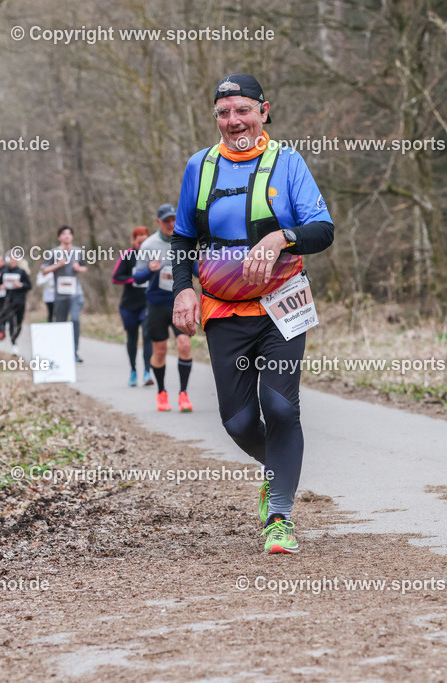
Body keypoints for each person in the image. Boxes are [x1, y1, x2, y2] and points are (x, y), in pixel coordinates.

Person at [171, 74, 334, 554]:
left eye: (242, 109)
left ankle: (279, 517)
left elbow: (322, 230)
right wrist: (183, 290)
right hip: (222, 308)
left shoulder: (288, 163)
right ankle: (279, 469)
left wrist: (280, 236)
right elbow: (183, 237)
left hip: (283, 302)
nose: (233, 120)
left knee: (281, 407)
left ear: (264, 110)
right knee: (239, 422)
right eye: (223, 112)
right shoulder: (199, 167)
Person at [133, 205, 196, 411]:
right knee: (159, 351)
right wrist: (151, 271)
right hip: (157, 304)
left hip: (181, 303)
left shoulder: (186, 241)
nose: (171, 224)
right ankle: (161, 392)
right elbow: (137, 277)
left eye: (174, 220)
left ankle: (183, 394)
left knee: (185, 345)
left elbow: (197, 270)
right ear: (158, 222)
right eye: (166, 220)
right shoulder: (149, 245)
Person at [112, 226, 154, 386]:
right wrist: (135, 279)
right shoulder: (128, 255)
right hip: (129, 305)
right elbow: (116, 278)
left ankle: (147, 372)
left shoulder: (154, 254)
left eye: (145, 241)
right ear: (133, 241)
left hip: (147, 303)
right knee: (132, 337)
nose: (142, 245)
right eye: (139, 242)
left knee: (147, 336)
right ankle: (133, 371)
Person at [41, 226, 87, 363]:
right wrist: (57, 265)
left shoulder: (78, 251)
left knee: (75, 320)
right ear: (59, 237)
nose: (67, 236)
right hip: (60, 294)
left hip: (75, 293)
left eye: (69, 234)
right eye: (63, 234)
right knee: (60, 323)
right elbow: (44, 271)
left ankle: (74, 352)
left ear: (72, 237)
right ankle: (62, 352)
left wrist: (79, 268)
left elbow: (85, 267)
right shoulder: (53, 252)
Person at [0, 252, 32, 355]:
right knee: (11, 323)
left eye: (15, 259)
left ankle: (15, 338)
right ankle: (14, 344)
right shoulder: (4, 271)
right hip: (8, 301)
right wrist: (1, 287)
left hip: (20, 302)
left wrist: (21, 285)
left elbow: (29, 286)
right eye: (11, 259)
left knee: (19, 324)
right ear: (8, 260)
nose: (13, 261)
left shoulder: (22, 272)